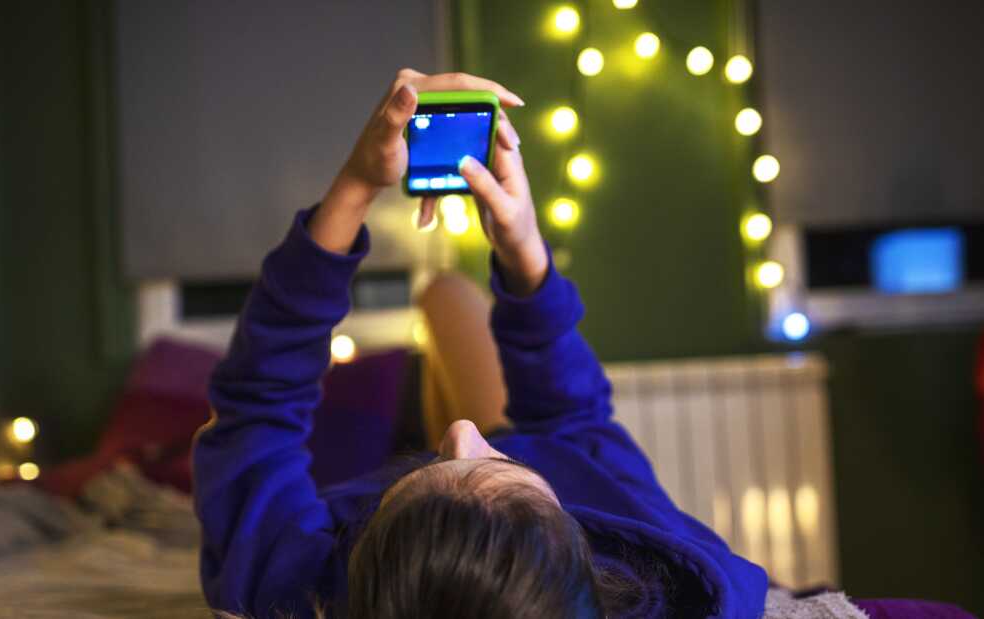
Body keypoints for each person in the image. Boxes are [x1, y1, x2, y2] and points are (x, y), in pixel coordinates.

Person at [193, 69, 768, 619]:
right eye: (501, 474)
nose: (462, 433)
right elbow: (574, 420)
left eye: (420, 477)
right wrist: (525, 254)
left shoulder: (285, 592)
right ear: (589, 556)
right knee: (447, 296)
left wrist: (356, 185)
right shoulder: (657, 561)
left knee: (440, 291)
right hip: (554, 466)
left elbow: (254, 410)